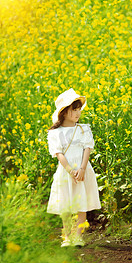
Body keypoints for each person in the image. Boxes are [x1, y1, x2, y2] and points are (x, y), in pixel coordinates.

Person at [47, 88, 101, 247]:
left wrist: (82, 169)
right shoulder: (55, 133)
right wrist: (71, 171)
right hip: (66, 171)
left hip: (82, 170)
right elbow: (58, 153)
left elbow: (87, 149)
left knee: (81, 203)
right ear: (63, 112)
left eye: (79, 110)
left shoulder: (84, 128)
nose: (78, 114)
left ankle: (78, 237)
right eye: (73, 110)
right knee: (65, 204)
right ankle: (67, 237)